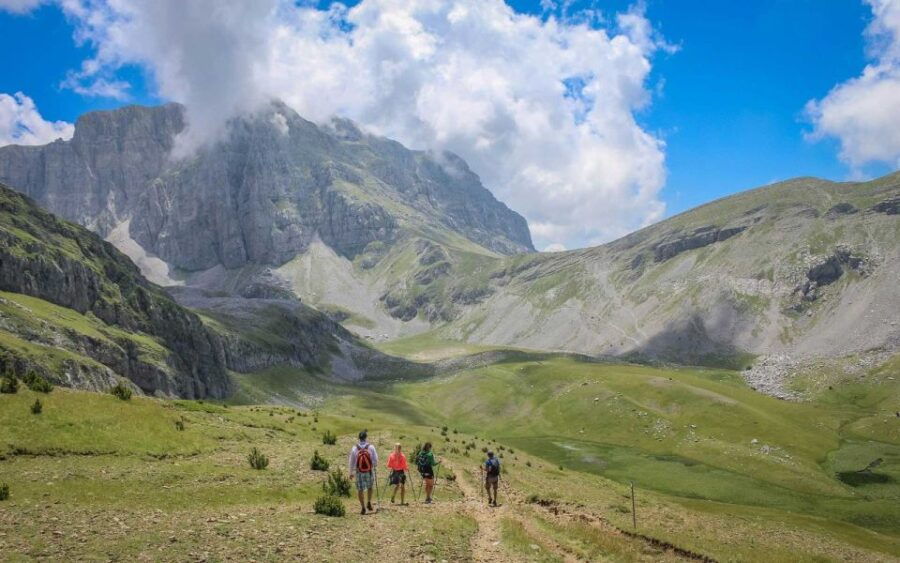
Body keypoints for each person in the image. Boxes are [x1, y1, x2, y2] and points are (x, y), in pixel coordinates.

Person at [348, 430, 378, 515]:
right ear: (366, 437)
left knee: (360, 489)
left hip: (359, 472)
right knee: (370, 487)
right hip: (369, 471)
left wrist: (350, 472)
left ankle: (363, 507)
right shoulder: (371, 447)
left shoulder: (355, 448)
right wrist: (373, 465)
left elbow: (351, 461)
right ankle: (368, 502)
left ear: (359, 438)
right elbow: (375, 460)